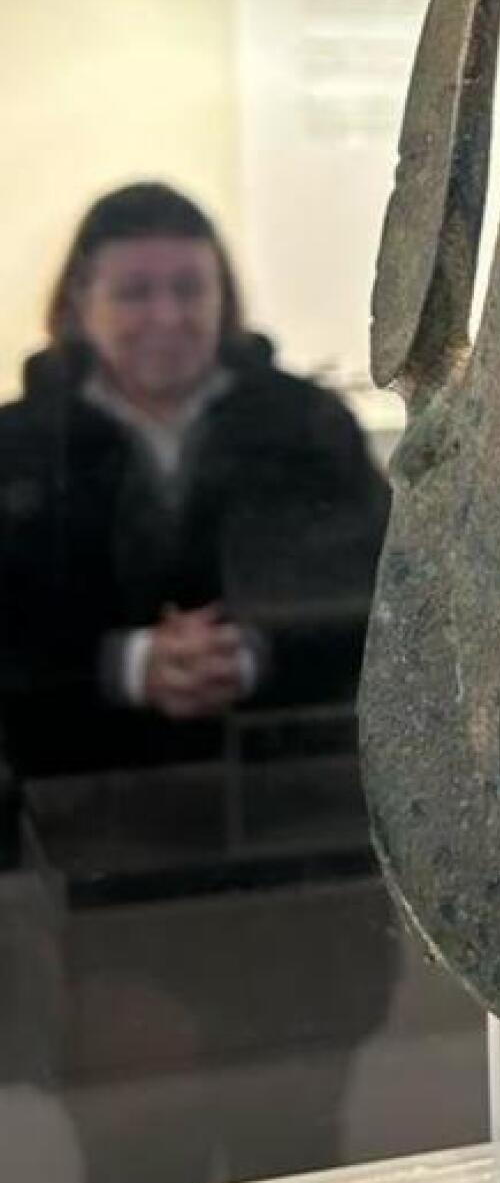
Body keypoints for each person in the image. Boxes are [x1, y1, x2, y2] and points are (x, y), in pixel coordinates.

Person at [0, 183, 388, 790]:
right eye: (134, 293)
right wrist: (124, 666)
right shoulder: (16, 446)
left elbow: (387, 592)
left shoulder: (311, 427)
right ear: (79, 301)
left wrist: (260, 654)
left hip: (297, 791)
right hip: (73, 800)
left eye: (188, 289)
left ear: (222, 295)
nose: (167, 316)